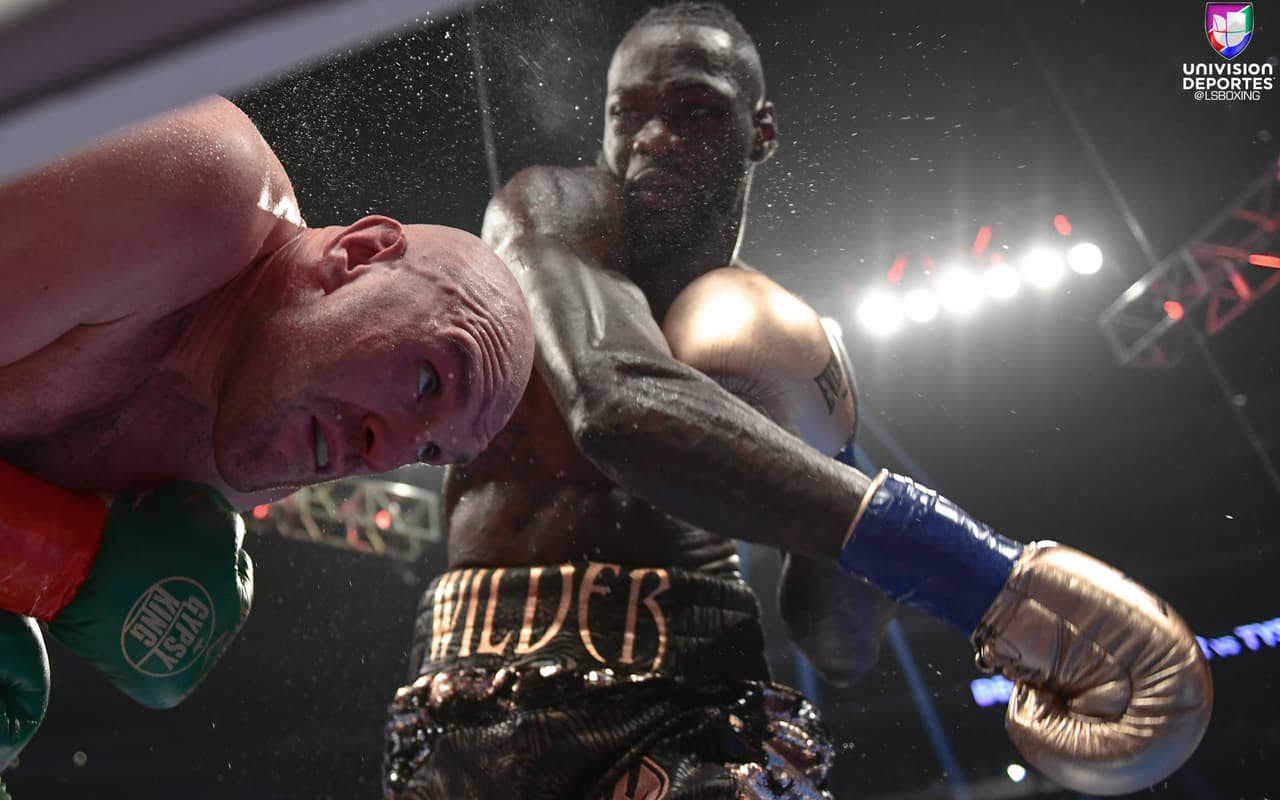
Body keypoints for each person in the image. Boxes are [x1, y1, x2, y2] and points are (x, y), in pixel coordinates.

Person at [382, 5, 1211, 798]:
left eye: (695, 110)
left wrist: (830, 447)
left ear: (761, 131)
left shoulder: (780, 339)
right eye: (626, 114)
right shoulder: (552, 215)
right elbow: (614, 406)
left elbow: (837, 646)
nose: (652, 140)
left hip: (693, 699)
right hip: (482, 688)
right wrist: (988, 583)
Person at [0, 95, 536, 771]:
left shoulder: (239, 451)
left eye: (431, 451)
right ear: (359, 253)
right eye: (427, 380)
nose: (387, 452)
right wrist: (60, 561)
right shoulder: (199, 194)